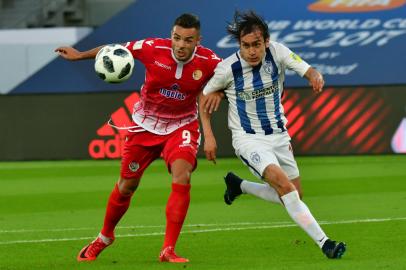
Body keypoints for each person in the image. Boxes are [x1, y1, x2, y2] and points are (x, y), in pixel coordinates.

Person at [55, 13, 221, 263]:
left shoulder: (210, 61)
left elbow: (230, 76)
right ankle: (105, 237)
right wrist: (80, 55)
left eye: (188, 40)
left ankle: (168, 249)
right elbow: (115, 50)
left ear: (198, 40)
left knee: (182, 174)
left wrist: (217, 92)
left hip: (181, 126)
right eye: (177, 38)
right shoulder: (153, 48)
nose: (181, 45)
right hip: (144, 126)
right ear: (171, 36)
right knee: (126, 186)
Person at [200, 10, 346, 259]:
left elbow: (306, 68)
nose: (252, 51)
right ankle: (325, 243)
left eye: (256, 44)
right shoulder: (227, 69)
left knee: (294, 194)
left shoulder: (277, 52)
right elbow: (203, 97)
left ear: (266, 42)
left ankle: (239, 186)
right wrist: (209, 136)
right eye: (246, 46)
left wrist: (314, 75)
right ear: (240, 46)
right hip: (249, 139)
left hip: (279, 135)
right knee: (285, 188)